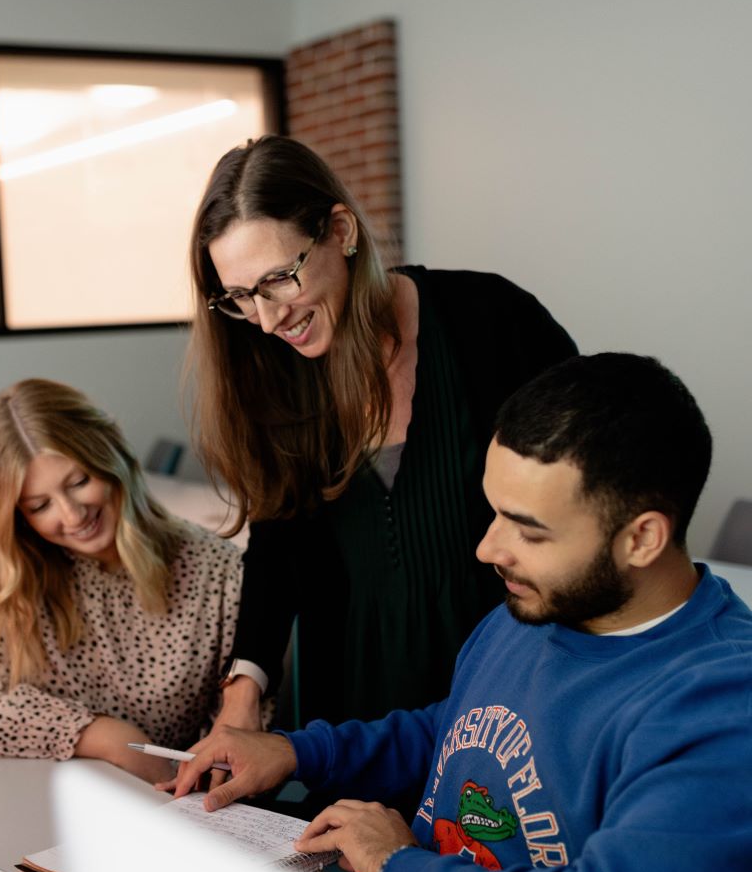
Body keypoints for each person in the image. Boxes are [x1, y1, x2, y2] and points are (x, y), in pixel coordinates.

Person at [172, 354, 752, 872]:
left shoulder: (721, 705)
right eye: (493, 512)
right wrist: (300, 751)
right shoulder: (535, 608)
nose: (486, 548)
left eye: (528, 531)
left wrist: (397, 865)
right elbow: (457, 727)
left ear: (641, 539)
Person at [187, 134, 578, 748]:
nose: (265, 320)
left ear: (340, 231)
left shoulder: (493, 320)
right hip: (353, 710)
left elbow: (589, 497)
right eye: (239, 297)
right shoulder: (275, 374)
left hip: (512, 686)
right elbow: (278, 542)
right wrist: (242, 695)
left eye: (278, 280)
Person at [0, 378, 254, 784]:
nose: (73, 516)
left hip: (164, 805)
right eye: (40, 505)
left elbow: (238, 752)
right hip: (39, 791)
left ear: (111, 455)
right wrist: (108, 738)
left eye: (78, 482)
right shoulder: (3, 554)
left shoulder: (216, 569)